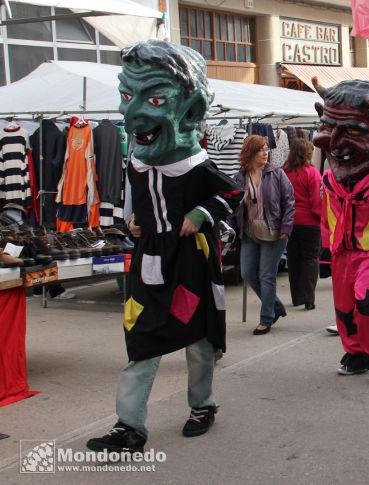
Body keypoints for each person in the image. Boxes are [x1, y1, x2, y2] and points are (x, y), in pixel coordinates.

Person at [87, 41, 243, 453]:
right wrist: (137, 221)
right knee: (141, 337)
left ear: (191, 109)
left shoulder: (197, 165)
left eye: (155, 98)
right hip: (150, 259)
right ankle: (129, 426)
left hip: (191, 261)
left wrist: (202, 214)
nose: (132, 112)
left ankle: (202, 404)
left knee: (198, 337)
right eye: (127, 96)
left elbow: (231, 195)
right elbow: (142, 201)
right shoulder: (137, 163)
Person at [312, 78, 369, 385]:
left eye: (351, 130)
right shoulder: (329, 180)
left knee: (367, 303)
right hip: (341, 254)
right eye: (328, 127)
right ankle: (355, 353)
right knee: (344, 307)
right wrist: (324, 251)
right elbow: (326, 218)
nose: (333, 141)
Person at [232, 135, 295, 335]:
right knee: (248, 273)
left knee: (266, 275)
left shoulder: (276, 173)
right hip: (249, 231)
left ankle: (266, 318)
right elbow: (233, 207)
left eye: (267, 148)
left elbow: (289, 201)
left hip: (274, 231)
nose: (265, 152)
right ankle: (275, 306)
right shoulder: (239, 177)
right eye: (261, 149)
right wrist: (233, 232)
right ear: (250, 152)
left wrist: (286, 227)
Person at [283, 139, 322, 310]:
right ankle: (308, 298)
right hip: (310, 223)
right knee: (310, 259)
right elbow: (316, 201)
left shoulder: (284, 171)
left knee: (294, 259)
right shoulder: (312, 173)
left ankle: (296, 297)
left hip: (290, 222)